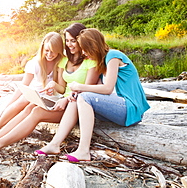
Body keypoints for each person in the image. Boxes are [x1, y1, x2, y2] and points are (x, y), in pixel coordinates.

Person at [0, 23, 100, 154]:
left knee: (36, 112)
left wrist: (65, 100)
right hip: (62, 102)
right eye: (67, 40)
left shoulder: (91, 62)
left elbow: (86, 90)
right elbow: (62, 89)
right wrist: (53, 85)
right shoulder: (64, 61)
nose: (70, 44)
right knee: (30, 107)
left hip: (76, 106)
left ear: (81, 40)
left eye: (73, 41)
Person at [37, 28, 150, 162]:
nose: (83, 53)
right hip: (119, 107)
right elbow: (97, 88)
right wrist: (76, 92)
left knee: (83, 96)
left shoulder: (113, 56)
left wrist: (79, 87)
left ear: (93, 46)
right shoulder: (102, 62)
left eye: (85, 49)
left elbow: (107, 89)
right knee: (77, 97)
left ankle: (84, 151)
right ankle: (54, 144)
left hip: (131, 108)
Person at [0, 31, 65, 137]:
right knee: (22, 101)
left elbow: (60, 87)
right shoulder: (35, 63)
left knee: (28, 108)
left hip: (48, 95)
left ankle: (4, 133)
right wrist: (9, 103)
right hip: (35, 92)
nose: (49, 55)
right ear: (42, 48)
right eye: (47, 50)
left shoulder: (60, 62)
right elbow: (24, 85)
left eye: (53, 51)